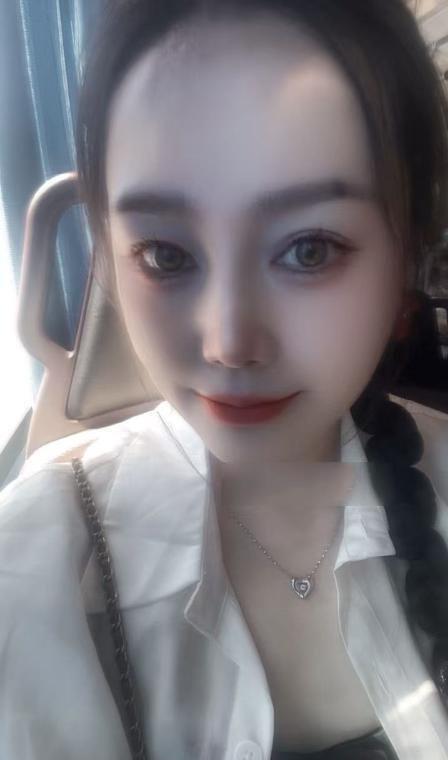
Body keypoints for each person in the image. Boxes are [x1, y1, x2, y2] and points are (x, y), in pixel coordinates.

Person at [1, 0, 448, 758]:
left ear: (408, 254)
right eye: (167, 255)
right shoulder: (33, 568)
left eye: (309, 249)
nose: (229, 342)